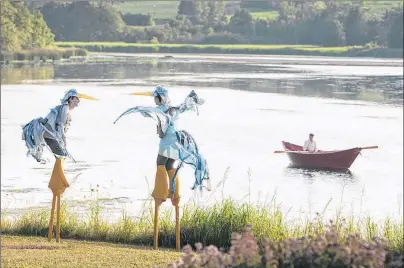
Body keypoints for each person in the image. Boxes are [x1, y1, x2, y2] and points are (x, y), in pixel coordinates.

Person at [114, 85, 210, 250]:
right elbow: (185, 106)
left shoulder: (160, 110)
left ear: (159, 98)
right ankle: (174, 193)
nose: (154, 100)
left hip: (167, 143)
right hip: (176, 145)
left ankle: (162, 194)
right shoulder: (173, 109)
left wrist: (138, 109)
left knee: (160, 164)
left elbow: (150, 114)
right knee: (169, 166)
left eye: (155, 98)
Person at [22, 89, 98, 163]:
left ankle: (58, 173)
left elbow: (60, 126)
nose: (78, 100)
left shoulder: (66, 109)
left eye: (79, 99)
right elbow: (60, 125)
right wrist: (64, 140)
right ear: (70, 98)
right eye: (76, 98)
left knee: (62, 155)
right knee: (61, 155)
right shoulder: (65, 108)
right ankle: (58, 174)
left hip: (51, 136)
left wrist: (61, 139)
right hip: (49, 136)